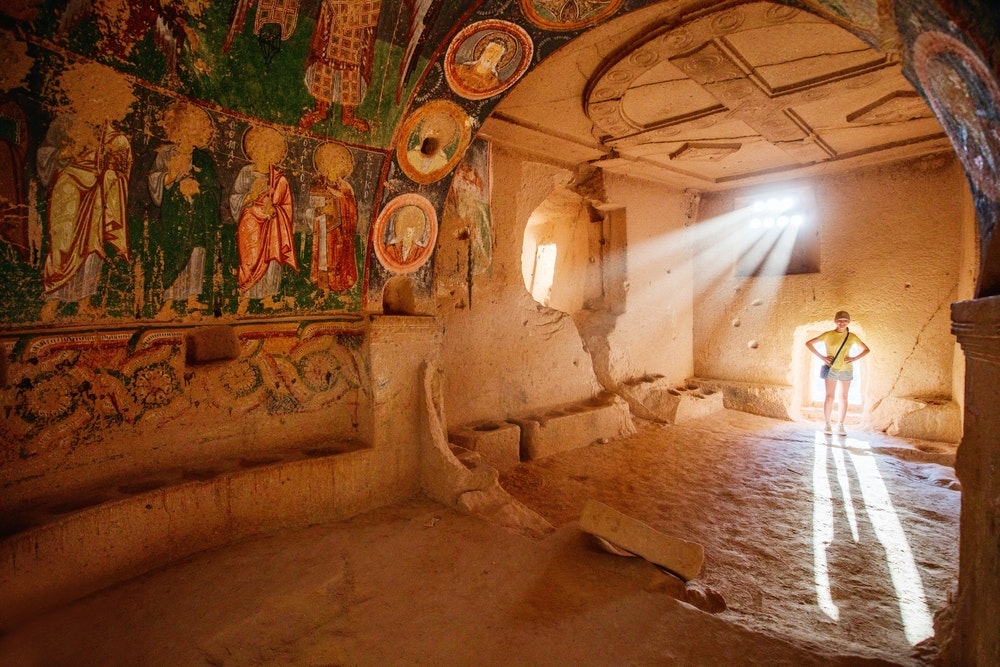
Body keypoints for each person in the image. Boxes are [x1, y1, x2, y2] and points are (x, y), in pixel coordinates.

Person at [806, 310, 870, 435]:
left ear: (849, 322)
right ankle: (827, 424)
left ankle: (841, 425)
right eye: (840, 320)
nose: (842, 323)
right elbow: (808, 343)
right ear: (835, 321)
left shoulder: (852, 337)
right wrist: (822, 357)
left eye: (845, 321)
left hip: (846, 369)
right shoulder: (828, 334)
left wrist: (854, 358)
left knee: (844, 397)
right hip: (832, 368)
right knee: (829, 397)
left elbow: (866, 349)